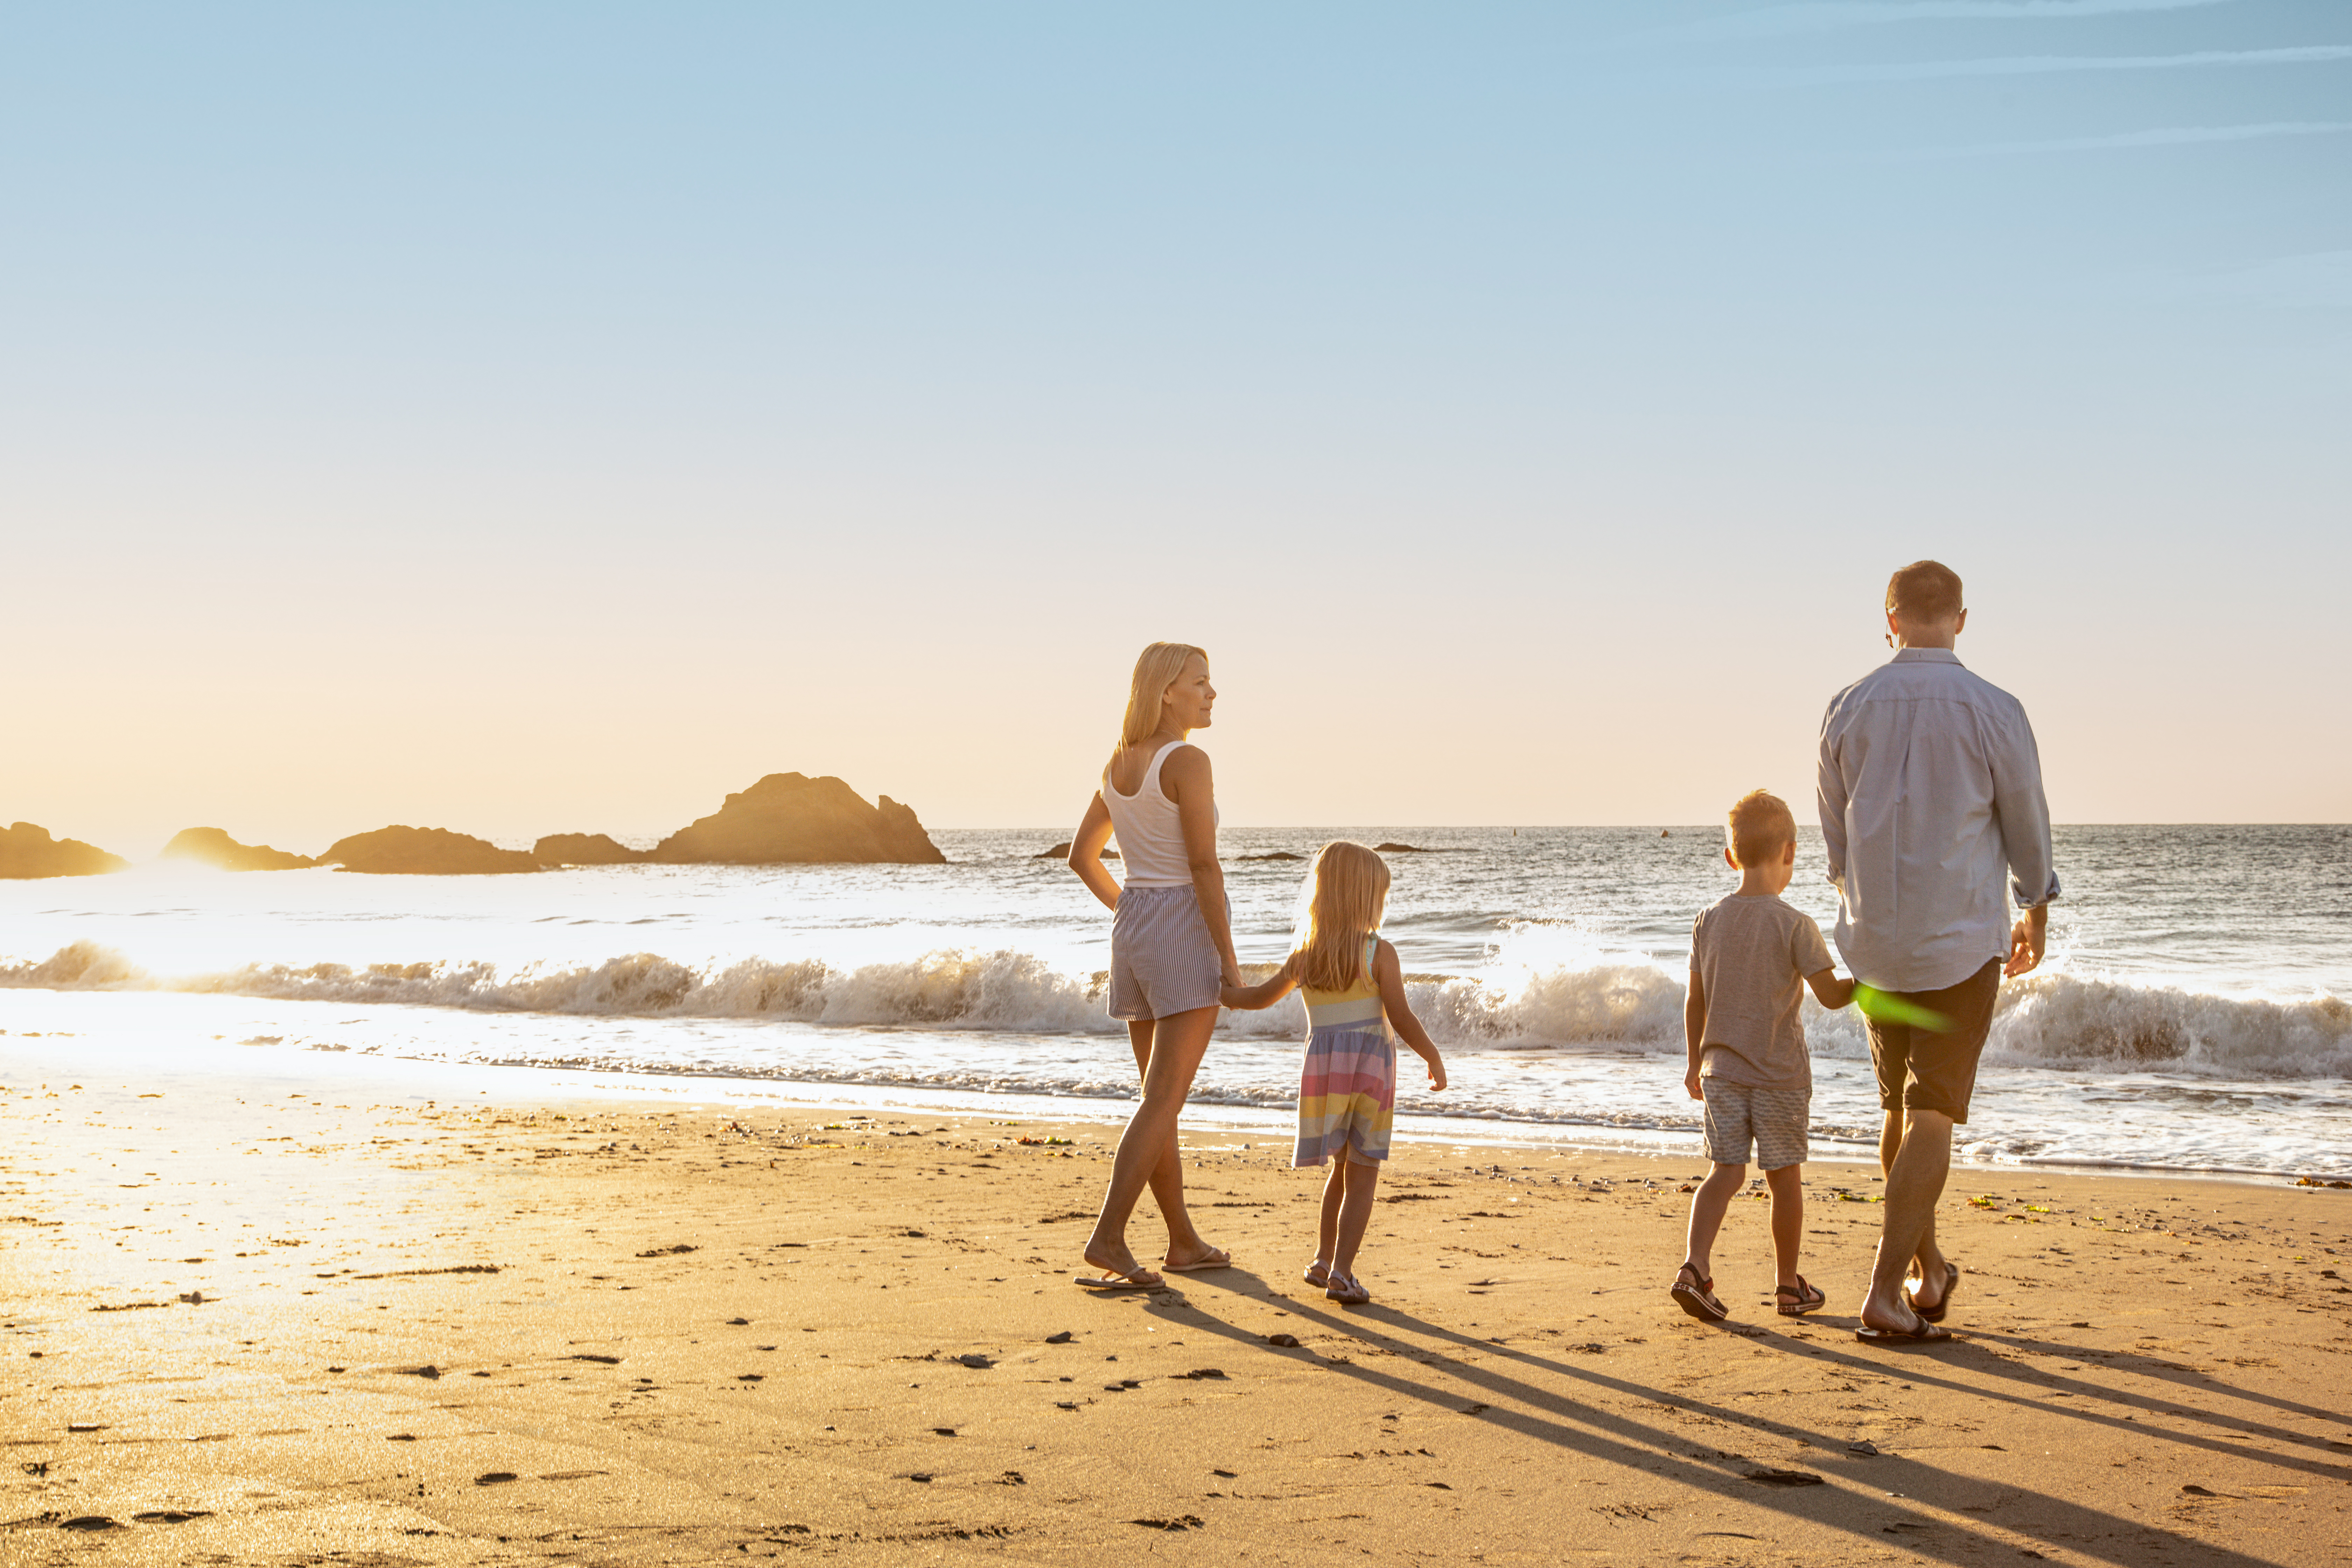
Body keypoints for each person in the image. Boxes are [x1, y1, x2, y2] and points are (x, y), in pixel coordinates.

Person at [1818, 561, 2059, 1344]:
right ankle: (1887, 1291)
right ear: (1961, 618)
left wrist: (1860, 908)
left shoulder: (1847, 708)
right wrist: (2036, 907)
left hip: (1875, 947)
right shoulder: (1995, 708)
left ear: (1889, 619)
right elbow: (2025, 817)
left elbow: (1835, 839)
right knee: (1931, 1112)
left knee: (1898, 1106)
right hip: (1958, 944)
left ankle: (1930, 1270)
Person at [1065, 643, 1244, 1290]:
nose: (1212, 693)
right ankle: (1109, 1236)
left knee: (1156, 1099)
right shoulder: (1188, 760)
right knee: (1164, 1099)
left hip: (1135, 926)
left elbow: (1082, 858)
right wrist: (1228, 961)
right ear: (1167, 691)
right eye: (1201, 682)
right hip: (1181, 927)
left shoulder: (1118, 763)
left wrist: (1133, 910)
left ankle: (1183, 1242)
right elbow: (1202, 865)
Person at [1219, 842, 1447, 1306]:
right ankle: (1343, 1274)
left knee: (1342, 1170)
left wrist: (1222, 991)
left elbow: (1259, 998)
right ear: (1366, 899)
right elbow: (1401, 1017)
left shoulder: (1306, 956)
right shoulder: (1378, 953)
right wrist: (1433, 1056)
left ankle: (1324, 1260)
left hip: (1325, 1077)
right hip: (1369, 1074)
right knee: (1363, 1174)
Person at [1672, 790, 1854, 1323]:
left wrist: (1692, 1062)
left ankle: (1695, 1267)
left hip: (1721, 1072)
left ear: (1732, 856)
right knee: (1784, 1181)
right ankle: (1787, 1286)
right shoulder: (1795, 924)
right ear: (1790, 853)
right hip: (1780, 1076)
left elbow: (1695, 1000)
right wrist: (1873, 980)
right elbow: (1832, 996)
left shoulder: (1709, 921)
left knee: (1724, 1173)